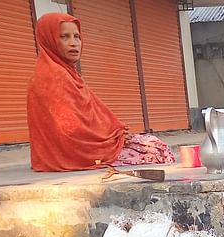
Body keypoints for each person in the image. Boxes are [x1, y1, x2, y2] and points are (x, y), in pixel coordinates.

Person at [27, 13, 174, 172]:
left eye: (77, 37)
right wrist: (111, 140)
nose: (73, 43)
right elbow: (72, 130)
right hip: (76, 153)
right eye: (64, 37)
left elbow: (90, 116)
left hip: (71, 151)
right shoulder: (55, 75)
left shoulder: (63, 71)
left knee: (151, 143)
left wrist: (114, 135)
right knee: (157, 150)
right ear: (48, 39)